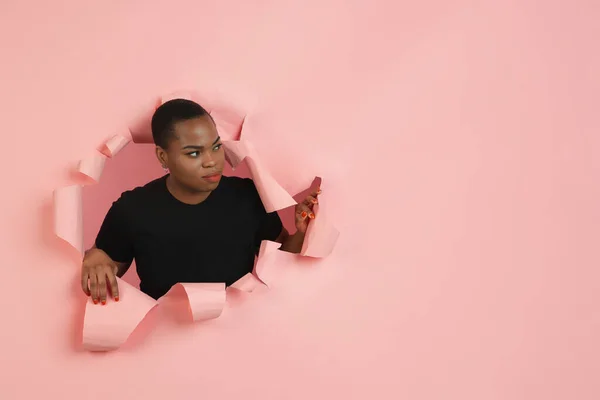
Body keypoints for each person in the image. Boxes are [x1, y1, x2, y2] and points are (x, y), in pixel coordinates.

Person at [80, 99, 319, 304]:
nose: (211, 161)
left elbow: (282, 259)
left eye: (215, 147)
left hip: (239, 336)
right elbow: (106, 272)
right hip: (161, 344)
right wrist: (96, 258)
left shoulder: (248, 196)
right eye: (194, 153)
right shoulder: (132, 209)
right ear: (163, 156)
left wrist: (300, 232)